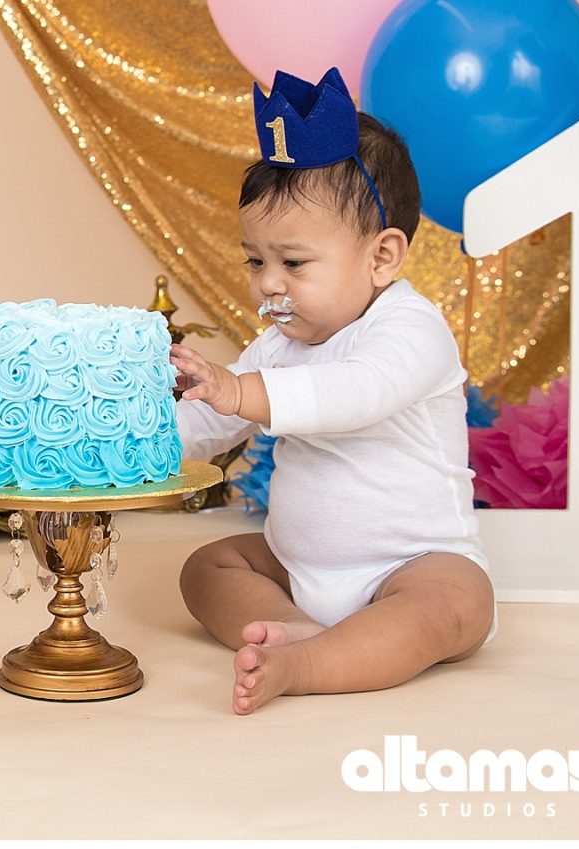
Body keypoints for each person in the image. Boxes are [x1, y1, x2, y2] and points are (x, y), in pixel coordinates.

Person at [170, 67, 495, 715]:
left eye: (293, 262)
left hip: (410, 564)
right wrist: (143, 431)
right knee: (207, 568)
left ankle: (308, 663)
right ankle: (296, 626)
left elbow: (357, 393)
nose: (269, 283)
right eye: (256, 260)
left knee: (457, 603)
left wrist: (240, 391)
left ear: (382, 257)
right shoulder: (277, 345)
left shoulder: (411, 329)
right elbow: (210, 424)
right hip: (298, 567)